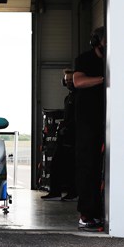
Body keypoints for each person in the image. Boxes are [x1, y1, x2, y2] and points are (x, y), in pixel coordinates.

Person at [73, 26, 106, 231]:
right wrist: (104, 80)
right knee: (89, 167)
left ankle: (102, 212)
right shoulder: (84, 59)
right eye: (104, 41)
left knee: (105, 168)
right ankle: (86, 215)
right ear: (96, 42)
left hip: (109, 121)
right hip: (88, 122)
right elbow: (78, 81)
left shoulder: (112, 59)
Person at [41, 69, 77, 201]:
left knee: (70, 166)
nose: (68, 83)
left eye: (70, 80)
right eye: (66, 80)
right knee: (57, 164)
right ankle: (56, 192)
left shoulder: (79, 97)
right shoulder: (68, 98)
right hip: (65, 136)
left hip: (73, 138)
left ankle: (72, 193)